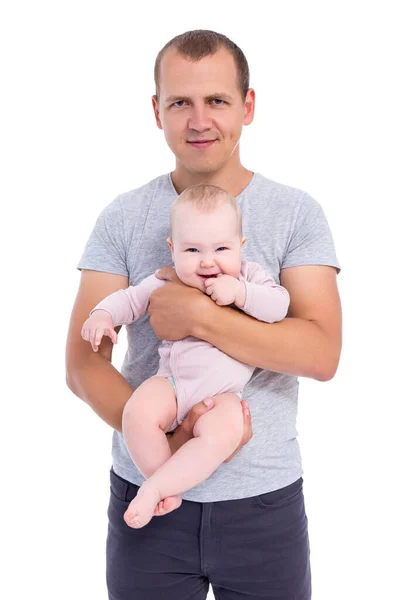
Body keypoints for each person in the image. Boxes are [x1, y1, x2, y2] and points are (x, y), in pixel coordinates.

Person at [66, 29, 341, 600]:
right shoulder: (123, 218)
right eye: (179, 103)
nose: (198, 120)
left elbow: (321, 353)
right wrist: (169, 446)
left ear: (248, 105)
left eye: (216, 100)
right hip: (144, 491)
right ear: (156, 111)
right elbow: (82, 363)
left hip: (263, 502)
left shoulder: (295, 214)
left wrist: (199, 316)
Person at [81, 184, 290, 529]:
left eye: (221, 248)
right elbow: (130, 300)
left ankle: (157, 487)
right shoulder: (167, 278)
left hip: (223, 396)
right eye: (192, 249)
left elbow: (279, 306)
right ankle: (163, 484)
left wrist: (241, 292)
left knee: (224, 434)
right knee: (136, 414)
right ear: (172, 249)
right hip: (173, 383)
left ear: (240, 246)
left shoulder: (248, 276)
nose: (208, 260)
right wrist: (102, 315)